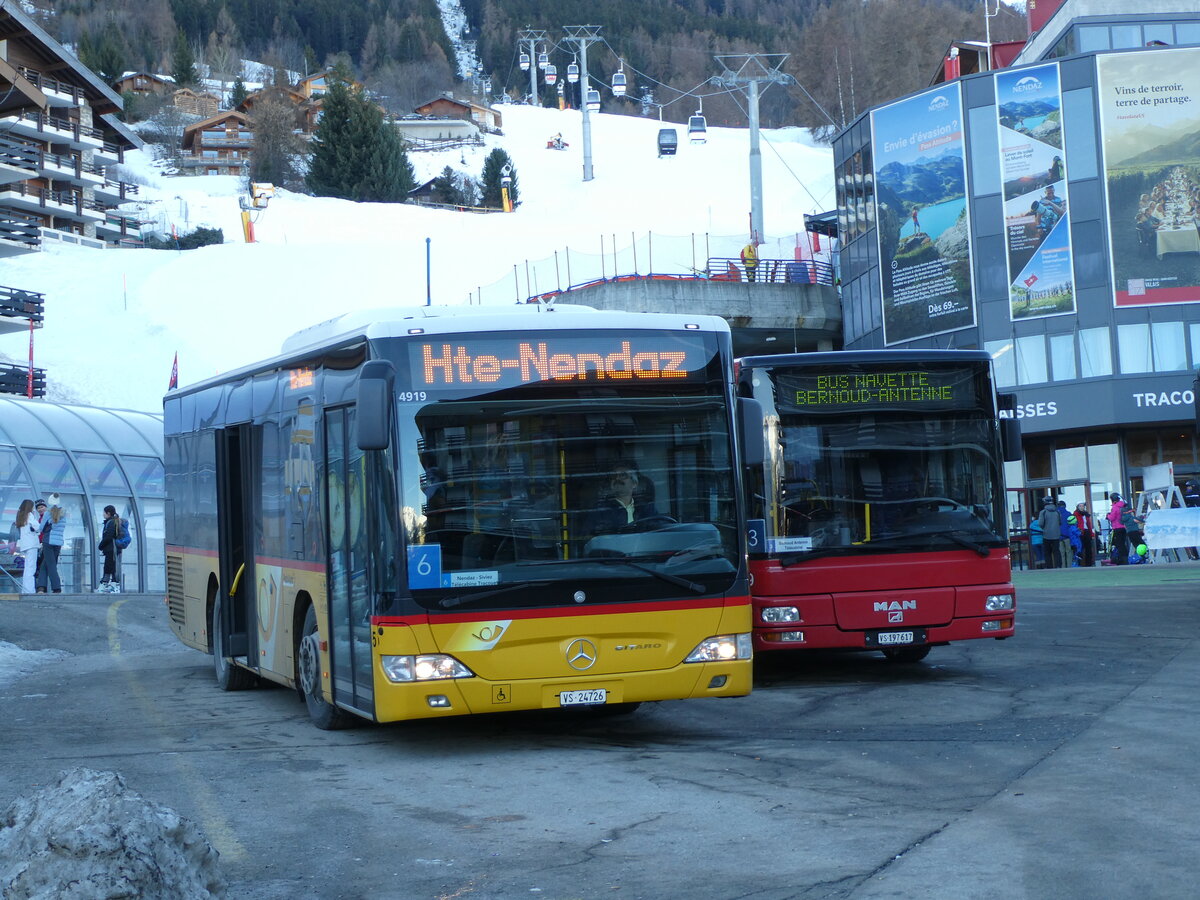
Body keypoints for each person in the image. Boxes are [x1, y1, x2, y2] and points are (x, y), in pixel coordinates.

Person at [587, 463, 659, 535]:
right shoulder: (600, 510)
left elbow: (658, 532)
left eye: (623, 475)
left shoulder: (647, 508)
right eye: (614, 476)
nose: (617, 478)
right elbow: (588, 537)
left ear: (634, 483)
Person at [35, 498, 64, 594]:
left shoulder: (47, 514)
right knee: (45, 564)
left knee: (51, 565)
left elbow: (41, 528)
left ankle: (56, 588)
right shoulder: (63, 514)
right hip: (58, 542)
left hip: (48, 541)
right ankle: (41, 587)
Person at [14, 499, 41, 595]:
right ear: (29, 507)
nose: (33, 508)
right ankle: (30, 591)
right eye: (32, 506)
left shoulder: (20, 516)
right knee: (31, 568)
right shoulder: (29, 515)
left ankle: (25, 590)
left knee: (27, 568)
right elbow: (38, 527)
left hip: (25, 545)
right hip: (32, 544)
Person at [97, 505, 121, 593]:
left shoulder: (111, 522)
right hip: (112, 548)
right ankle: (109, 583)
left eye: (104, 512)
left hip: (111, 548)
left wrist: (101, 545)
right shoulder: (113, 521)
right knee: (110, 566)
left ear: (108, 513)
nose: (103, 514)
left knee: (109, 566)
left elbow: (109, 536)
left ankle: (111, 584)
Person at [1036, 496, 1062, 568]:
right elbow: (1060, 522)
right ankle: (1058, 566)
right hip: (1056, 535)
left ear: (1045, 502)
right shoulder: (1057, 511)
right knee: (1056, 551)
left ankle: (1049, 567)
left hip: (1046, 535)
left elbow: (1040, 523)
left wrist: (1045, 528)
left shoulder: (1043, 512)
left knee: (1047, 553)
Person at [1106, 492, 1129, 565]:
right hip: (1123, 527)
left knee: (1119, 544)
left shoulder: (1115, 507)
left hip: (1117, 528)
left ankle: (1122, 559)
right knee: (1122, 544)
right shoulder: (1123, 506)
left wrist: (1108, 516)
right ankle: (1125, 558)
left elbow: (1112, 518)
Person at [1074, 503, 1095, 567]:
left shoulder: (1086, 514)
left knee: (1088, 548)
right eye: (1080, 506)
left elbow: (1089, 524)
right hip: (1080, 532)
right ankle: (1080, 564)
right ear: (1077, 507)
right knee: (1080, 548)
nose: (1082, 507)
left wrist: (1091, 533)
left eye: (1083, 506)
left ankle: (1089, 564)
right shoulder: (1075, 514)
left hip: (1087, 532)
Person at [1184, 479, 1200, 561]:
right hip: (1193, 521)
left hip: (1194, 521)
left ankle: (1196, 555)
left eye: (1189, 487)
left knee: (1193, 538)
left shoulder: (1192, 496)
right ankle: (1196, 555)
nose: (1188, 489)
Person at [1056, 500, 1073, 568]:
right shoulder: (1068, 513)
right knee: (1068, 552)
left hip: (1058, 536)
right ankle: (1069, 566)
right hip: (1067, 536)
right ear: (1065, 506)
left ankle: (1063, 567)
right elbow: (1072, 524)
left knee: (1061, 553)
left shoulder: (1056, 514)